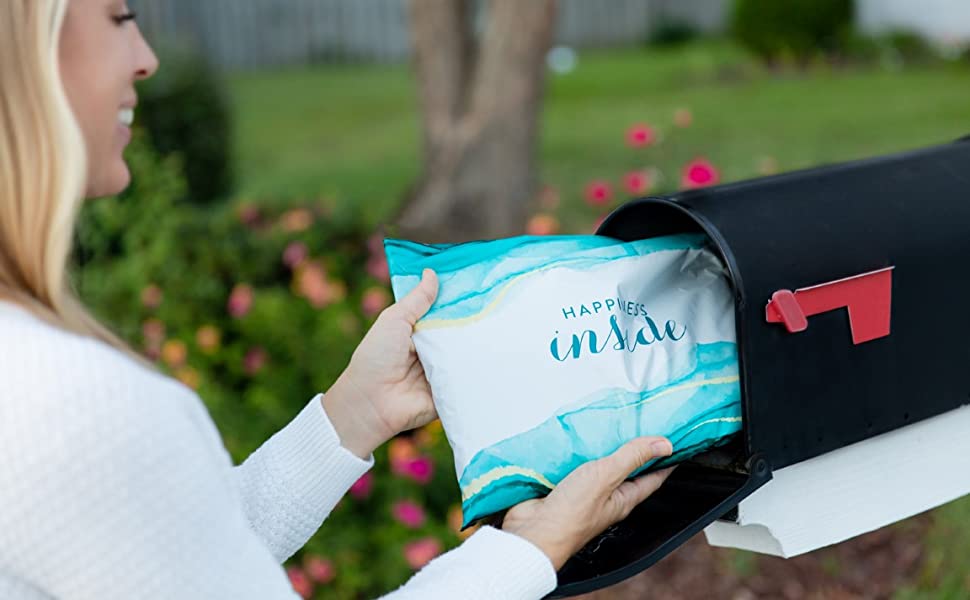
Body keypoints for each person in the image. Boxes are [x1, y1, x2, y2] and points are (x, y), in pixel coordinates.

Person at [0, 1, 676, 598]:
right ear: (27, 52)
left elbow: (175, 558)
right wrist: (529, 551)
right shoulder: (72, 407)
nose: (146, 59)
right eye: (120, 17)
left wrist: (353, 413)